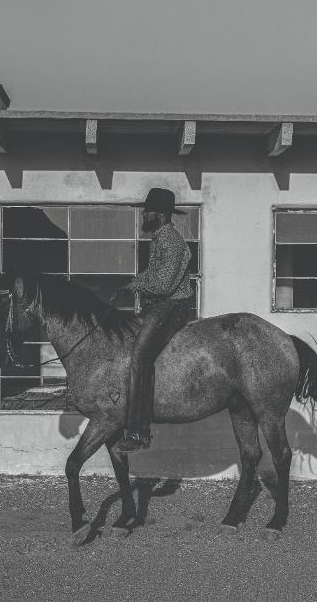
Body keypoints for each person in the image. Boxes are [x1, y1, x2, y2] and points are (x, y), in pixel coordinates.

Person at [114, 188, 194, 453]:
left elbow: (163, 284)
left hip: (171, 307)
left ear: (160, 214)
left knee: (140, 357)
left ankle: (139, 432)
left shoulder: (171, 241)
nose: (143, 215)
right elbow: (152, 274)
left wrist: (133, 287)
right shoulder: (160, 238)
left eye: (147, 211)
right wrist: (130, 287)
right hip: (159, 305)